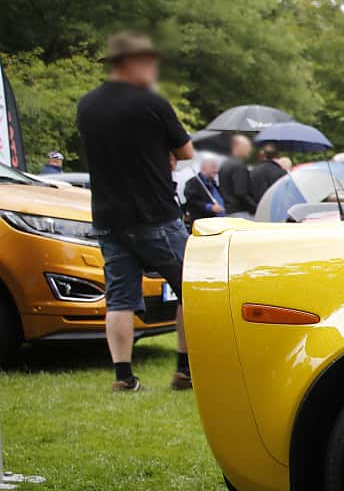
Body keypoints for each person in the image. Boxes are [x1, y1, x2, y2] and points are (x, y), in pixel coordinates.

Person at [73, 32, 193, 393]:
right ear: (132, 63)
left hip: (108, 217)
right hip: (154, 214)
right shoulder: (150, 103)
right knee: (193, 287)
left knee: (120, 299)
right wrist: (164, 153)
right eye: (150, 61)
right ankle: (184, 370)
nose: (154, 69)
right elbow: (185, 151)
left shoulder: (87, 105)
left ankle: (123, 376)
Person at [218, 133, 257, 216]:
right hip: (241, 212)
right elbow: (241, 192)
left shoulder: (224, 164)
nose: (249, 150)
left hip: (229, 211)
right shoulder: (239, 166)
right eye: (247, 146)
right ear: (238, 147)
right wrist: (255, 206)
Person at [181, 152, 226, 220]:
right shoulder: (193, 183)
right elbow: (192, 200)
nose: (216, 170)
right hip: (205, 221)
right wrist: (210, 207)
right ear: (204, 168)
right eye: (213, 167)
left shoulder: (213, 182)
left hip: (221, 218)